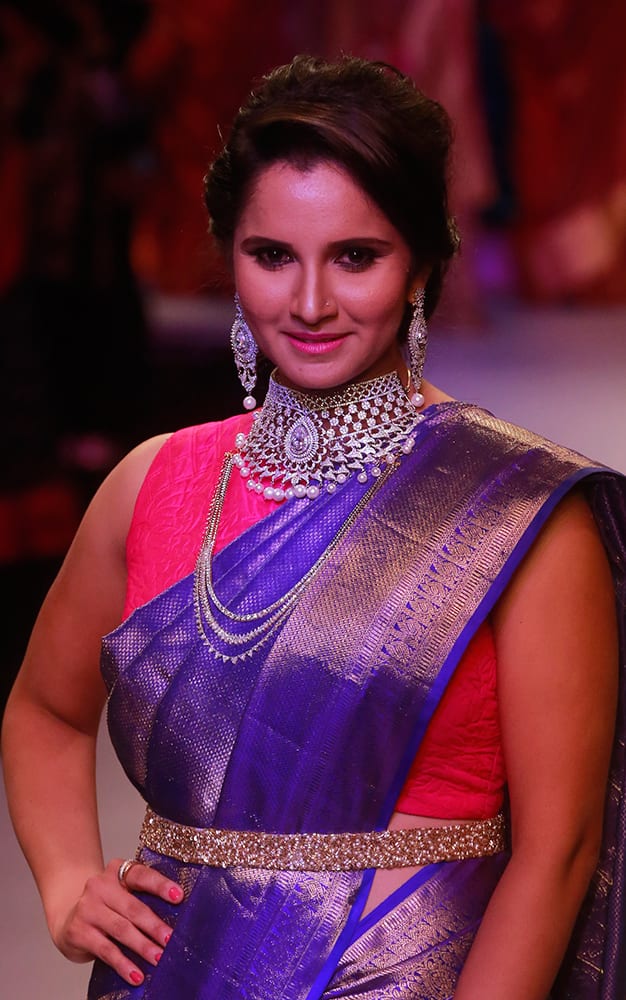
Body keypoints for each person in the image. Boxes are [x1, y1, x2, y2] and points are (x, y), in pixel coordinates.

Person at [2, 53, 625, 1000]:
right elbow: (43, 712)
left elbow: (561, 852)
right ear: (229, 257)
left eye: (356, 257)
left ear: (421, 264)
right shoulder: (153, 482)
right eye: (272, 256)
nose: (309, 304)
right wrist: (64, 884)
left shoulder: (519, 518)